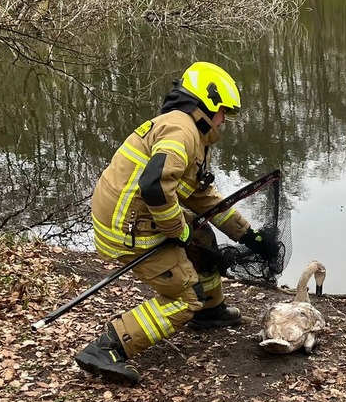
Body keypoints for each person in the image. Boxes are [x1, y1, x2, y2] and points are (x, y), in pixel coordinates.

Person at [75, 61, 277, 385]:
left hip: (134, 215)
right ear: (205, 105)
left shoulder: (191, 133)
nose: (224, 120)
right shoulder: (181, 130)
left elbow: (204, 199)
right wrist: (176, 231)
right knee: (184, 300)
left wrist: (248, 236)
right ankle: (108, 348)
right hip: (128, 228)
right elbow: (154, 186)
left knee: (202, 234)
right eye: (222, 111)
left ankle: (211, 311)